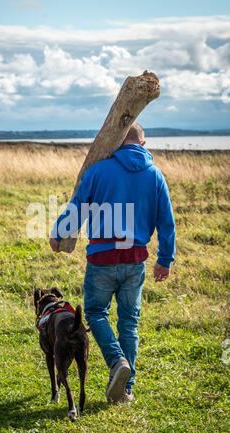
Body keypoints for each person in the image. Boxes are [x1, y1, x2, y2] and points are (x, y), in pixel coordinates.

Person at [50, 123, 176, 403]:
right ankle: (126, 388)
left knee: (95, 313)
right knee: (129, 323)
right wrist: (165, 259)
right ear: (143, 144)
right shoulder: (155, 175)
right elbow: (167, 222)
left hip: (102, 257)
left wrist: (58, 234)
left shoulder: (99, 170)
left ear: (116, 141)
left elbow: (78, 206)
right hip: (135, 259)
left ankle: (117, 361)